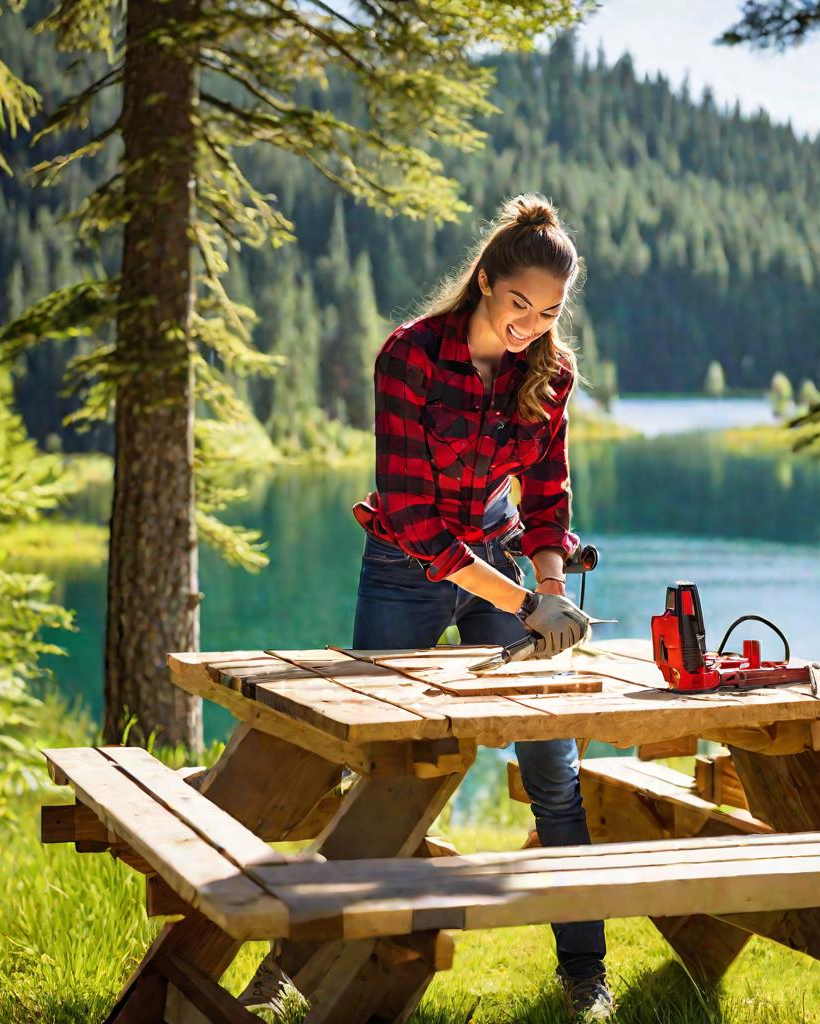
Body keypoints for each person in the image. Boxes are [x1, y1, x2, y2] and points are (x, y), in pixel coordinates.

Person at [352, 193, 613, 1021]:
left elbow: (546, 496)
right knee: (384, 767)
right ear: (485, 281)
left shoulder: (553, 374)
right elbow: (418, 522)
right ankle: (333, 966)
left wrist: (552, 587)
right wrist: (524, 599)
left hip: (503, 559)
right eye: (517, 304)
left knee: (555, 770)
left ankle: (586, 975)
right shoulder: (409, 357)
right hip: (405, 562)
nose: (530, 325)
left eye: (548, 312)